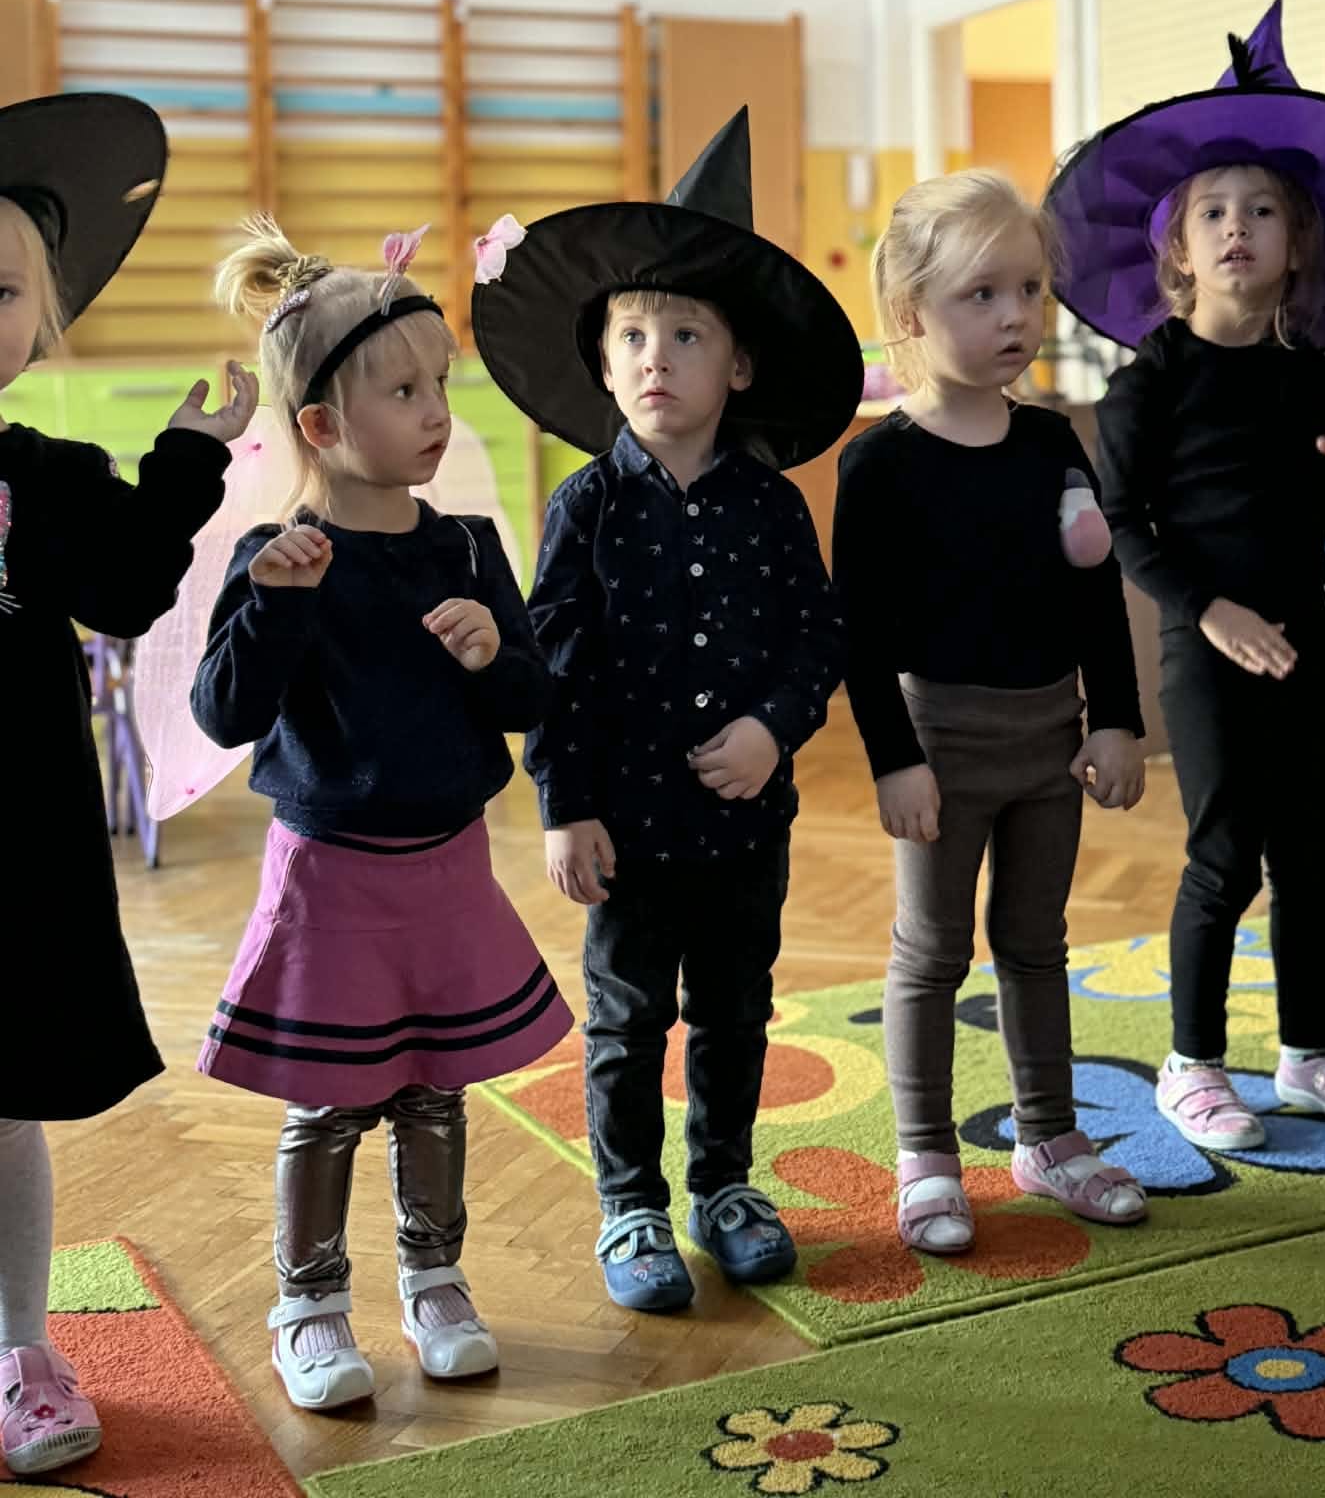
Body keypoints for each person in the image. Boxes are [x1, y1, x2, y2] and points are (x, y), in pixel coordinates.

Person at [473, 108, 861, 1312]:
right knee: (628, 1019)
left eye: (686, 333)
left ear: (737, 366)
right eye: (633, 334)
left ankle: (725, 1184)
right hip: (625, 826)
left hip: (744, 823)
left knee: (737, 1009)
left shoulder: (773, 505)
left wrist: (772, 728)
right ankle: (631, 1199)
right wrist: (563, 803)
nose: (656, 356)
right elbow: (554, 662)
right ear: (603, 363)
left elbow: (820, 636)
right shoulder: (587, 505)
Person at [1047, 0, 1325, 1155]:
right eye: (1213, 210)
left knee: (1309, 853)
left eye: (1263, 210)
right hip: (1206, 643)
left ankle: (1310, 1049)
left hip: (1303, 636)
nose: (1238, 227)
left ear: (1297, 244)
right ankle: (1194, 1061)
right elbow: (1127, 522)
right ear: (1178, 246)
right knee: (1224, 855)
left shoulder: (1315, 375)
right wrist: (1207, 611)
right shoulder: (1150, 382)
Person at [191, 217, 570, 1411]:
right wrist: (276, 604)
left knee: (435, 1085)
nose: (437, 411)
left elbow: (530, 702)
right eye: (404, 391)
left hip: (448, 864)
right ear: (320, 425)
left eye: (441, 384)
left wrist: (493, 650)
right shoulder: (279, 553)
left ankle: (436, 1278)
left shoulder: (466, 545)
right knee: (331, 1098)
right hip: (332, 876)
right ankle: (307, 1303)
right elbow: (223, 713)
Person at [0, 95, 255, 1478]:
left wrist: (187, 456)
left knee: (5, 1106)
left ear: (39, 319)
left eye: (0, 292)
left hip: (16, 847)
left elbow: (125, 585)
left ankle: (19, 1348)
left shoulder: (39, 480)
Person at [833, 168, 1149, 1251]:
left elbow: (1095, 592)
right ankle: (925, 1152)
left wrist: (1115, 717)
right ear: (911, 311)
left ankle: (1048, 1136)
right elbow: (859, 633)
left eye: (1028, 289)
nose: (1016, 314)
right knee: (931, 951)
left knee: (1035, 942)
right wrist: (894, 758)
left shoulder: (1053, 441)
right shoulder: (880, 462)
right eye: (982, 294)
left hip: (1048, 742)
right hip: (942, 746)